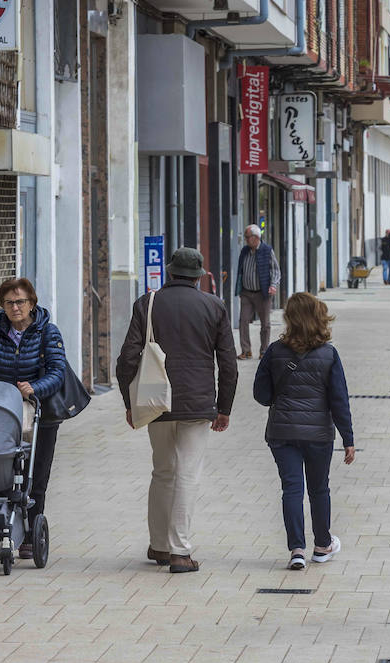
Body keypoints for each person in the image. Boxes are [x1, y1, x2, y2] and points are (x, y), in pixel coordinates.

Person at [117, 248, 237, 574]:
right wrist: (224, 407)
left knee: (162, 470)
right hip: (198, 403)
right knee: (187, 473)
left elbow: (127, 357)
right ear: (199, 276)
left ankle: (158, 545)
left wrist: (130, 404)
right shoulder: (214, 306)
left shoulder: (148, 304)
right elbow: (228, 363)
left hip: (156, 401)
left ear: (170, 272)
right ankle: (180, 552)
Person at [0, 278, 67, 560]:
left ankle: (30, 536)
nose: (15, 307)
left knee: (36, 477)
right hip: (1, 414)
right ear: (2, 305)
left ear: (32, 303)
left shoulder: (48, 331)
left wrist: (35, 388)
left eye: (20, 301)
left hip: (40, 414)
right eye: (9, 302)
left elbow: (58, 371)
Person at [253, 292, 356, 570]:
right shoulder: (329, 354)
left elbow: (260, 395)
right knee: (319, 488)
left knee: (292, 489)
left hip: (282, 432)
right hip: (318, 435)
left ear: (290, 319)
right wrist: (348, 439)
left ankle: (296, 549)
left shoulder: (274, 351)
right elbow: (339, 400)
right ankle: (322, 546)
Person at [235, 224, 280, 360]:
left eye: (248, 237)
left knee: (265, 324)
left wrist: (273, 285)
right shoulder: (245, 251)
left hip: (263, 293)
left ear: (256, 237)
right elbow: (241, 271)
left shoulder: (267, 251)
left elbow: (275, 270)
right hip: (247, 293)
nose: (246, 240)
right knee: (243, 321)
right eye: (246, 237)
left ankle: (264, 351)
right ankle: (246, 350)